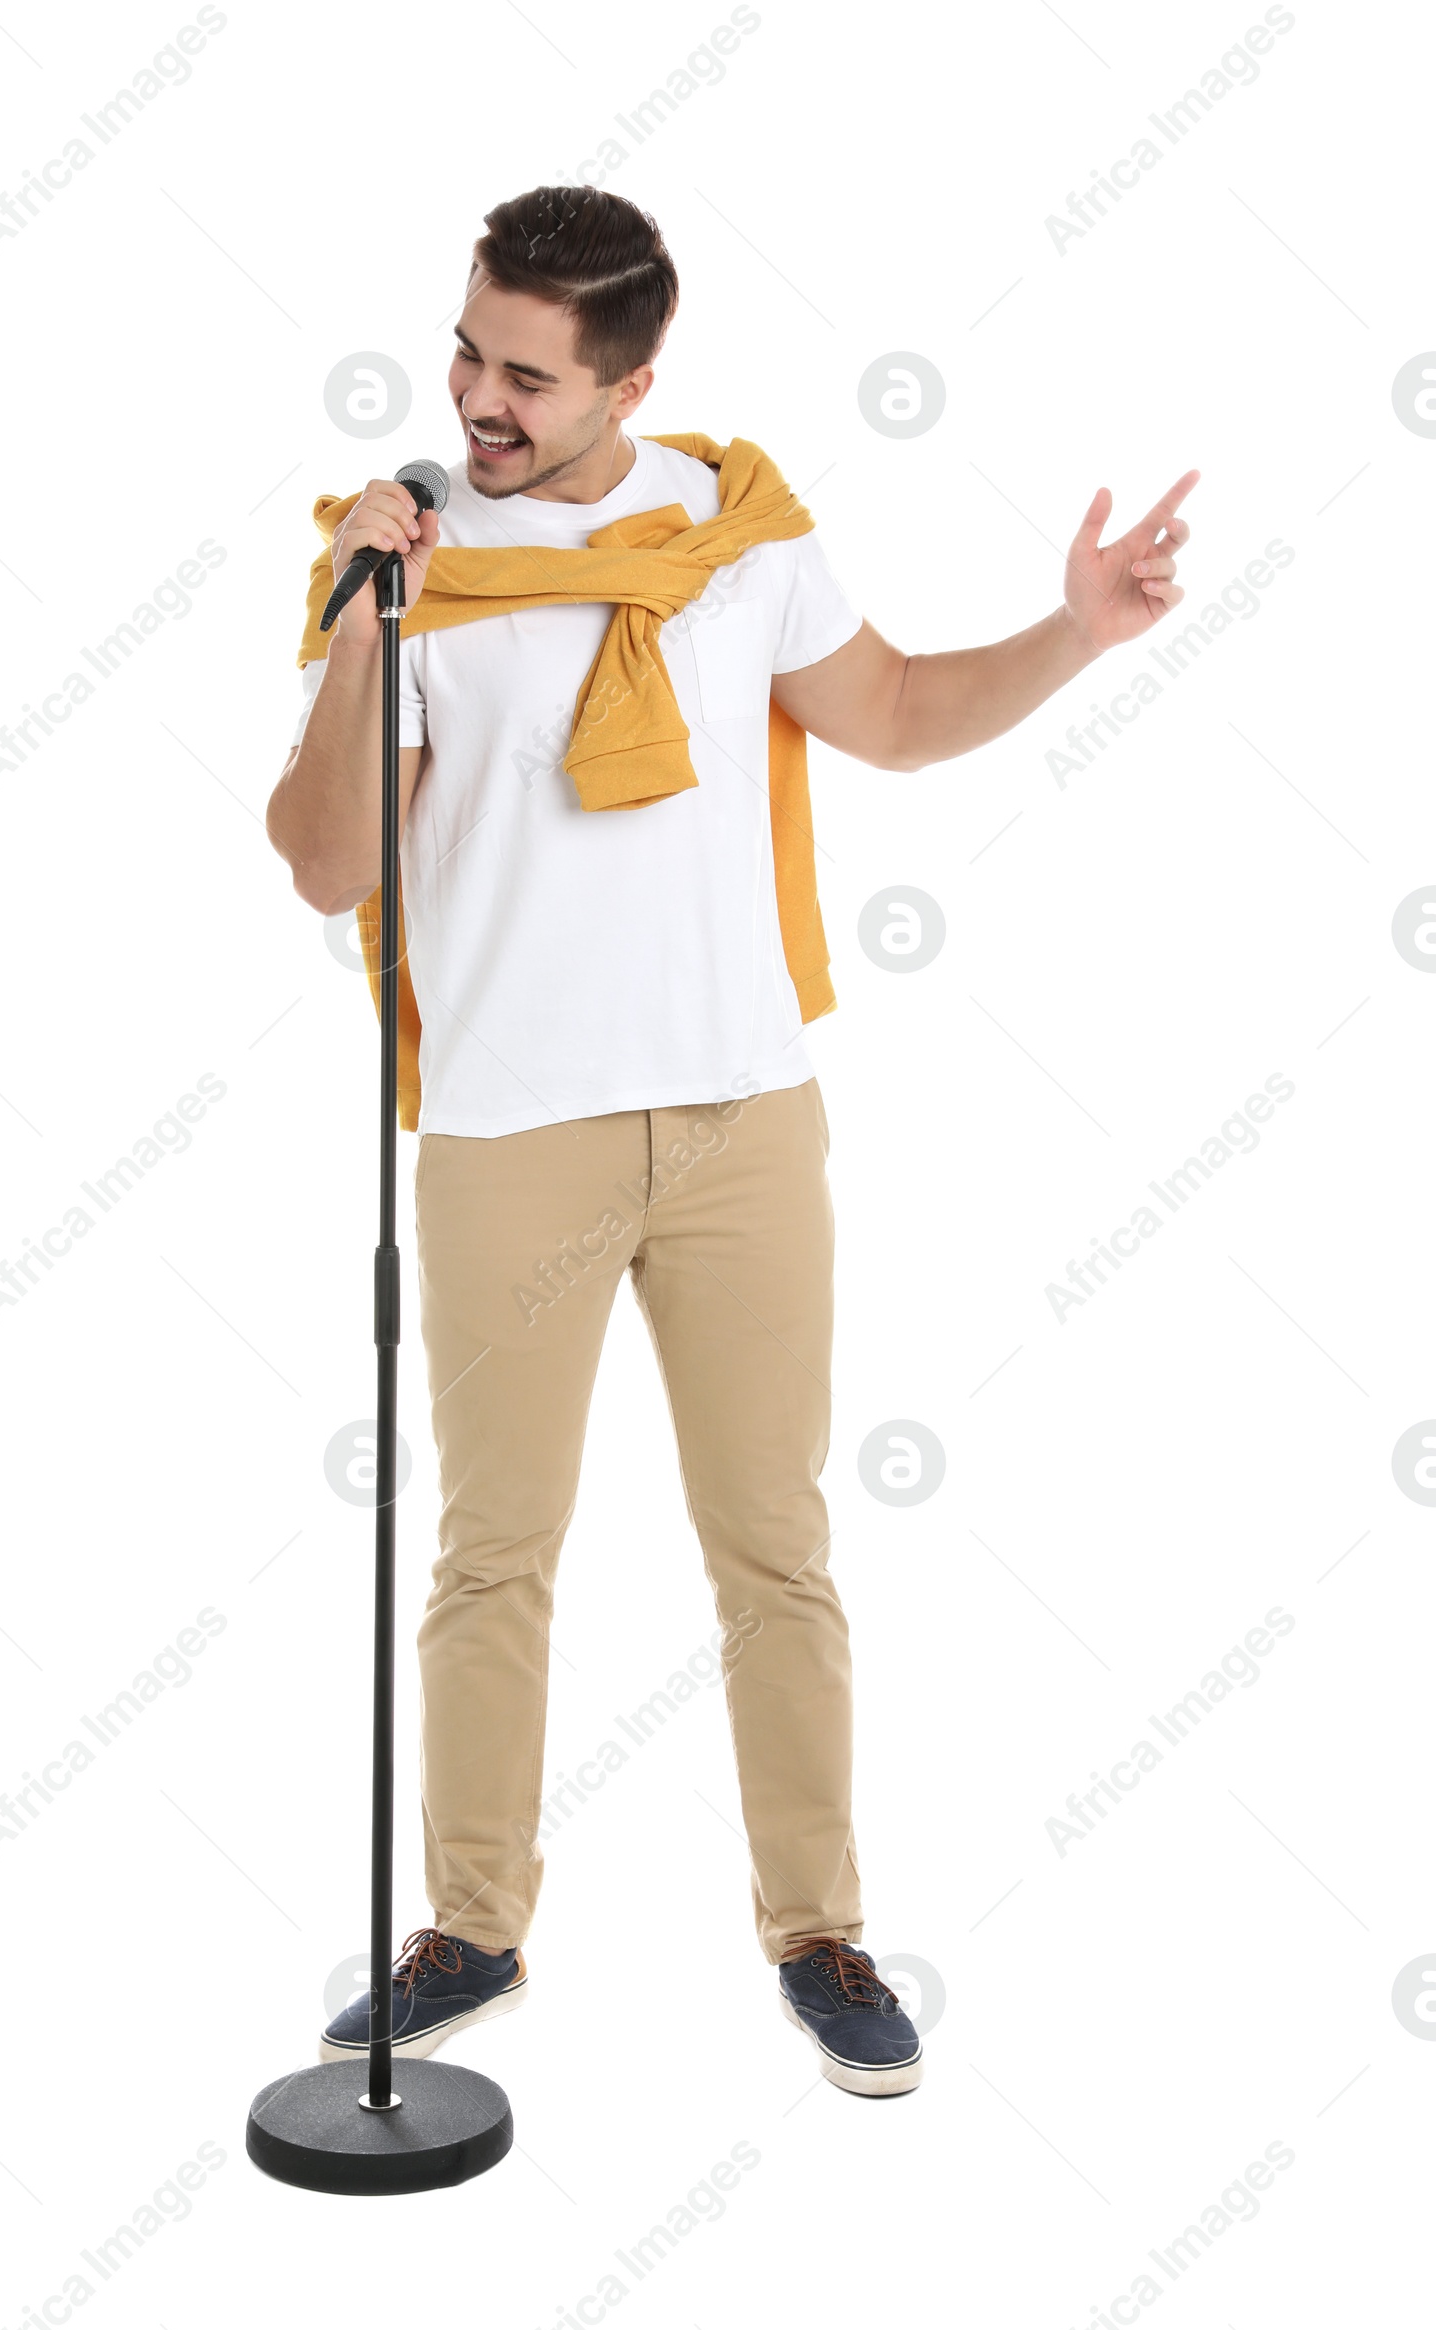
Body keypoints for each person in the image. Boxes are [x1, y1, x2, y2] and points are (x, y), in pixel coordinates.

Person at [266, 184, 1194, 2100]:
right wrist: (369, 621)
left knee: (776, 1543)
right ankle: (474, 1930)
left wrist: (1080, 632)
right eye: (467, 349)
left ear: (633, 377)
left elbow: (909, 716)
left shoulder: (738, 530)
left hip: (745, 1122)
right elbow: (325, 863)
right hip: (513, 1127)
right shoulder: (416, 565)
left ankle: (821, 1932)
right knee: (492, 1553)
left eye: (526, 371)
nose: (477, 394)